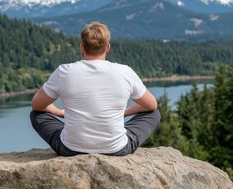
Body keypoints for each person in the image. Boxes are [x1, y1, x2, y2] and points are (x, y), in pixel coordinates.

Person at [30, 21, 160, 156]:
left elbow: (37, 105)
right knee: (154, 114)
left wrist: (61, 113)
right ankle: (113, 139)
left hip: (70, 149)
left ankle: (76, 139)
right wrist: (122, 113)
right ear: (108, 48)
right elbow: (151, 106)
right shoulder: (124, 72)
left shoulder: (64, 71)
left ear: (82, 47)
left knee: (36, 115)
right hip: (117, 149)